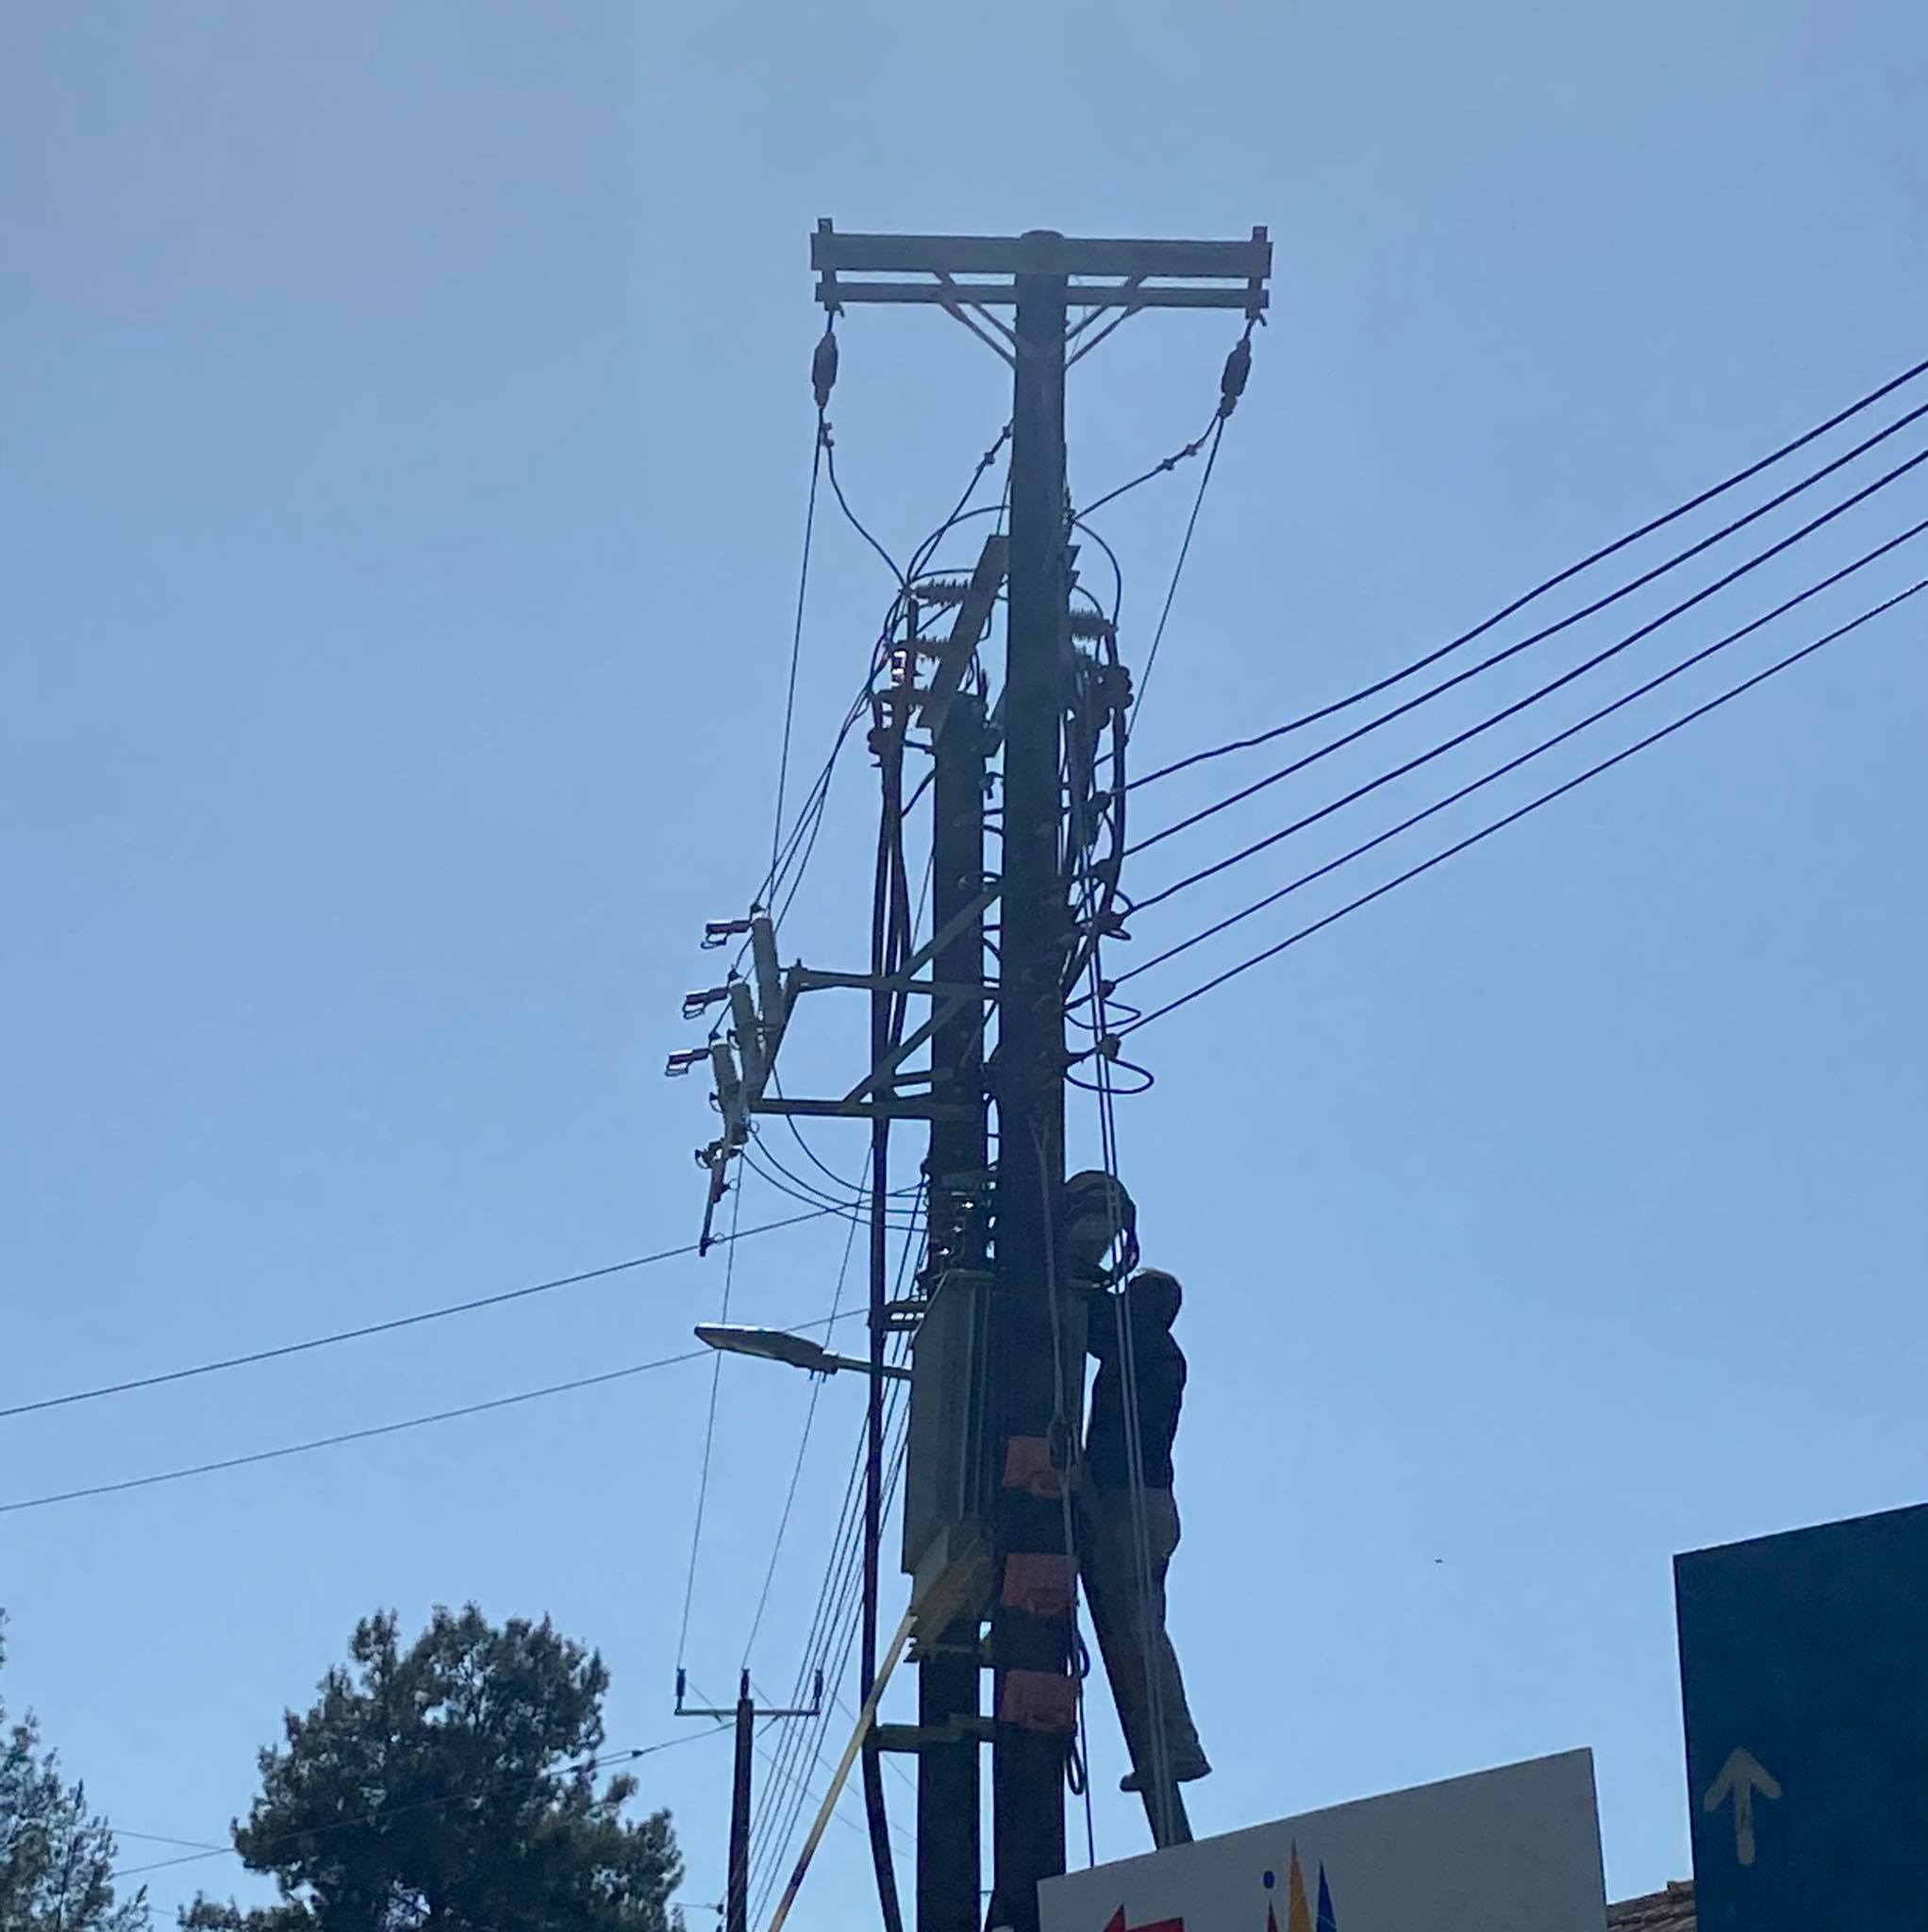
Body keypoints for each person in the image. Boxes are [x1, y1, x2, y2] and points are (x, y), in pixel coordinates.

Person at [1058, 1174, 1209, 1798]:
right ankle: (1169, 1746)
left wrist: (1060, 1261)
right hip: (1143, 1502)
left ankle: (1176, 1747)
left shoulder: (1145, 1345)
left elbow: (1090, 1317)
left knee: (1139, 1632)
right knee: (1139, 1628)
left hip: (1132, 1502)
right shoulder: (1152, 1348)